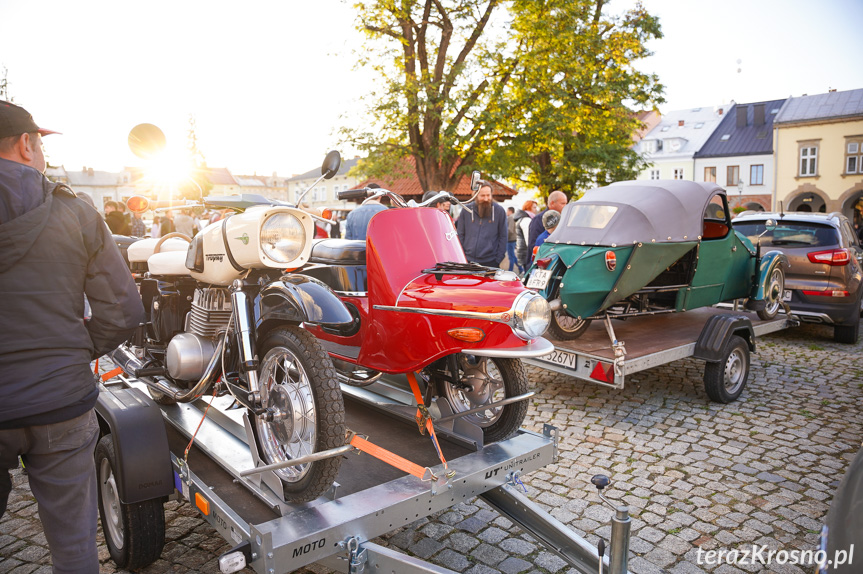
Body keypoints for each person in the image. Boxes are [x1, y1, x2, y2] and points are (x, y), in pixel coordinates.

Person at [0, 100, 145, 572]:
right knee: (75, 547)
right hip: (62, 400)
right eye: (40, 144)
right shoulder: (75, 212)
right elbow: (123, 311)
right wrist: (74, 351)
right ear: (26, 145)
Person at [455, 181, 507, 267]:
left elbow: (503, 236)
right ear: (475, 195)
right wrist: (461, 255)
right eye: (482, 196)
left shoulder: (499, 211)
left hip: (491, 262)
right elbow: (460, 234)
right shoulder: (466, 210)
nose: (486, 199)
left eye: (488, 195)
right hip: (468, 261)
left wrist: (498, 259)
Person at [528, 191, 568, 263]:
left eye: (566, 203)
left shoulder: (565, 218)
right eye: (563, 203)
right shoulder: (539, 219)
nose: (565, 206)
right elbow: (533, 245)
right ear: (552, 203)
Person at [514, 199, 538, 271]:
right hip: (526, 253)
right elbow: (529, 239)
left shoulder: (523, 218)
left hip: (523, 252)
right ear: (528, 207)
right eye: (534, 207)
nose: (536, 210)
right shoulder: (526, 220)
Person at [505, 206, 522, 273]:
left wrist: (505, 237)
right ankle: (520, 268)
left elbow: (510, 230)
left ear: (510, 211)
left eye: (507, 211)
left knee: (511, 256)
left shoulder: (511, 217)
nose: (506, 212)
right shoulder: (515, 217)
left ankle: (510, 270)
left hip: (510, 239)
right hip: (513, 239)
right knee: (513, 256)